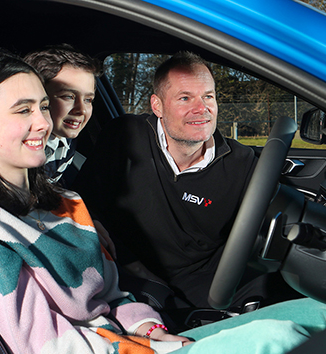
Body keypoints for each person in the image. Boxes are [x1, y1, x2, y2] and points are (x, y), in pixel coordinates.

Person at [0, 46, 326, 354]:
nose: (44, 122)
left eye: (43, 106)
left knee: (322, 313)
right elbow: (40, 345)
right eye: (23, 110)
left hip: (134, 340)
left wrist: (150, 329)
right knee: (279, 338)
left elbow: (111, 294)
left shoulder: (65, 201)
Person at [72, 51, 298, 309]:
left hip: (210, 286)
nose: (201, 109)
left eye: (208, 96)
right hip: (130, 277)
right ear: (157, 106)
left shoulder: (244, 163)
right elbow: (83, 204)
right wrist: (135, 269)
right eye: (185, 98)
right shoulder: (124, 136)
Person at [24, 44, 101, 187]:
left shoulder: (66, 141)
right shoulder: (23, 147)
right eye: (68, 97)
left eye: (88, 100)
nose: (81, 110)